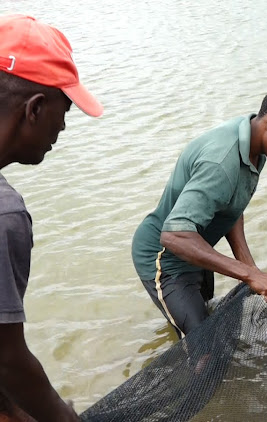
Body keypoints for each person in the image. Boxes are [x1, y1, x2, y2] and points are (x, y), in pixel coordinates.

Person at [131, 88, 267, 338]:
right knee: (204, 346)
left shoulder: (254, 146)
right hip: (165, 259)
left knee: (206, 313)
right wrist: (250, 274)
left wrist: (250, 268)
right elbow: (173, 235)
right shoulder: (220, 162)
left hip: (198, 247)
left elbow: (230, 206)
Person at [0, 14, 103, 422]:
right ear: (36, 108)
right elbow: (7, 357)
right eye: (66, 108)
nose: (63, 124)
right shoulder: (5, 214)